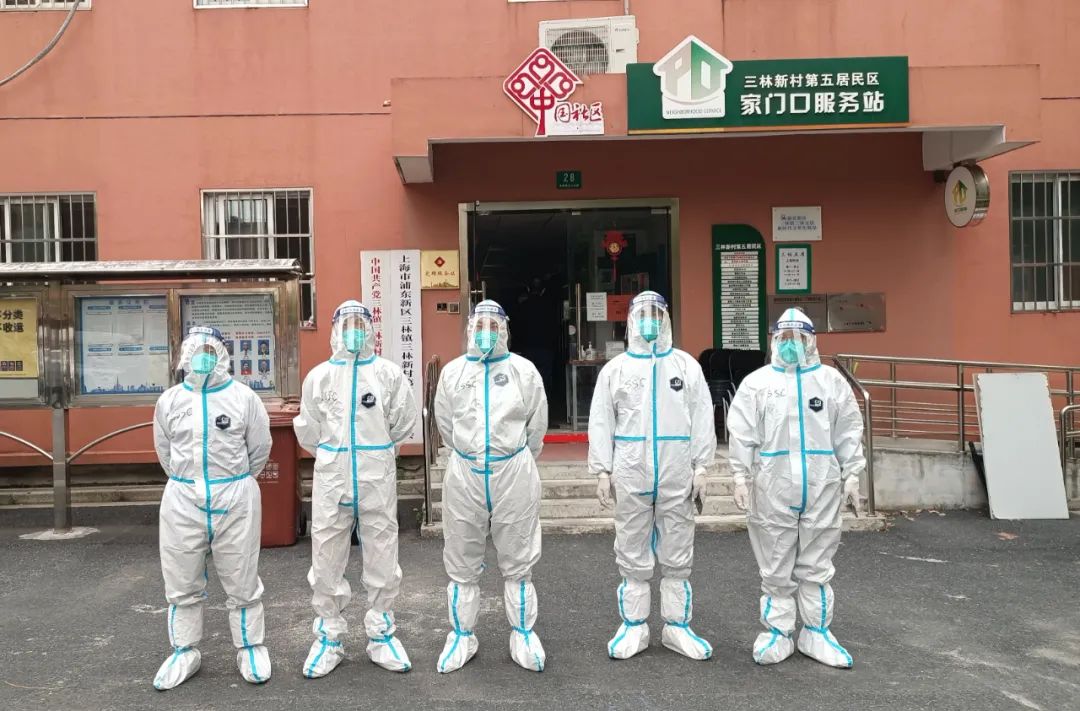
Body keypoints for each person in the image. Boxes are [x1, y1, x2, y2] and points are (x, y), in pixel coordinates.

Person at [726, 307, 866, 668]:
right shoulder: (757, 383)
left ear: (811, 341)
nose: (791, 344)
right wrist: (740, 476)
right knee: (775, 563)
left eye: (798, 338)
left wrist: (853, 473)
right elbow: (741, 433)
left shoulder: (830, 382)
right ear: (774, 340)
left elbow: (848, 429)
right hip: (772, 486)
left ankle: (816, 632)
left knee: (817, 563)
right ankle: (778, 632)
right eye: (784, 338)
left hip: (821, 484)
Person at [589, 291, 715, 661]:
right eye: (642, 314)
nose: (649, 320)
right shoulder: (616, 370)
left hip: (677, 469)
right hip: (632, 471)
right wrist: (602, 470)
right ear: (631, 320)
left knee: (678, 551)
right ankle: (634, 626)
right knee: (631, 548)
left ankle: (677, 627)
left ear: (666, 319)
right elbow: (601, 421)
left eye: (655, 314)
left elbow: (702, 416)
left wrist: (702, 467)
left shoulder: (686, 366)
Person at [293, 300, 417, 677]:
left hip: (376, 476)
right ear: (335, 331)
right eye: (346, 325)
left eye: (359, 324)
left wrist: (376, 451)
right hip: (333, 477)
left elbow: (403, 421)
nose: (353, 331)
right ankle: (328, 637)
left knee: (383, 552)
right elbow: (309, 430)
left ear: (370, 330)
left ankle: (381, 634)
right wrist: (335, 456)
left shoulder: (387, 374)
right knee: (326, 555)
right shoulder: (319, 377)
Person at [151, 326, 272, 690]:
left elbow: (259, 449)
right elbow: (165, 451)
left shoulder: (243, 398)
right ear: (185, 356)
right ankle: (184, 650)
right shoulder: (170, 401)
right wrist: (189, 482)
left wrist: (232, 483)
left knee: (242, 576)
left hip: (234, 496)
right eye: (195, 351)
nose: (202, 358)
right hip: (183, 499)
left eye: (209, 351)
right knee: (181, 578)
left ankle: (250, 646)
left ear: (221, 355)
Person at [433, 300, 549, 673]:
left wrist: (515, 457)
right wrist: (469, 453)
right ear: (470, 329)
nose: (486, 332)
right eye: (479, 325)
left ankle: (523, 634)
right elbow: (445, 423)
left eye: (493, 325)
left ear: (504, 330)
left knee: (518, 557)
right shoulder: (453, 373)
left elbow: (536, 424)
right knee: (461, 558)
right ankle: (462, 635)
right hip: (465, 472)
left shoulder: (522, 371)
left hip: (513, 470)